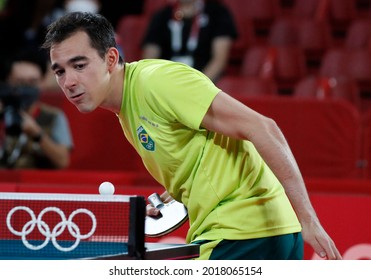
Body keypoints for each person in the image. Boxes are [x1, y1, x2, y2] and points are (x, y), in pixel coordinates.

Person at [42, 12, 341, 260]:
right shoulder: (127, 106)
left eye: (79, 65)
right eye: (60, 71)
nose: (69, 82)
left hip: (241, 234)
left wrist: (309, 220)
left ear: (110, 58)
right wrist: (166, 199)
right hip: (268, 233)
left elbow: (264, 128)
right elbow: (207, 158)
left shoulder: (157, 82)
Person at [0, 49, 73, 169]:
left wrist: (37, 134)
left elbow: (63, 161)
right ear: (8, 81)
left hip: (37, 184)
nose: (25, 88)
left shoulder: (53, 116)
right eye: (19, 82)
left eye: (32, 82)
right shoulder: (3, 113)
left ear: (42, 82)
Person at [141, 0, 237, 82]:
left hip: (205, 83)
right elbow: (149, 62)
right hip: (168, 83)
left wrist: (199, 85)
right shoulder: (161, 16)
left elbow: (219, 60)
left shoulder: (218, 13)